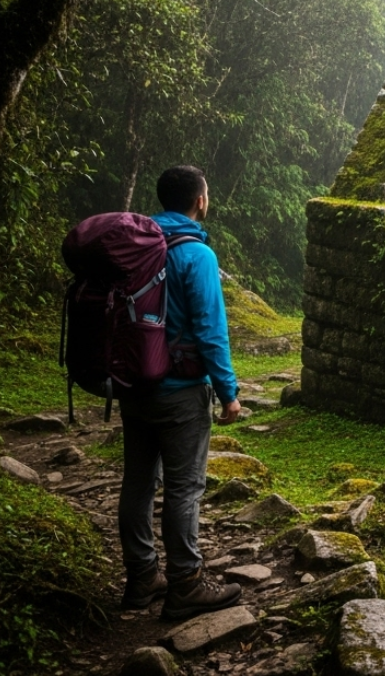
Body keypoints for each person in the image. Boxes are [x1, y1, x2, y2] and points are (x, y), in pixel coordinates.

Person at [118, 165, 243, 620]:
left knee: (137, 482)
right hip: (181, 391)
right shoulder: (196, 254)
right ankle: (186, 584)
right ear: (200, 201)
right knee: (184, 487)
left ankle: (141, 577)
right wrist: (228, 392)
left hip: (134, 385)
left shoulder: (136, 248)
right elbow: (211, 330)